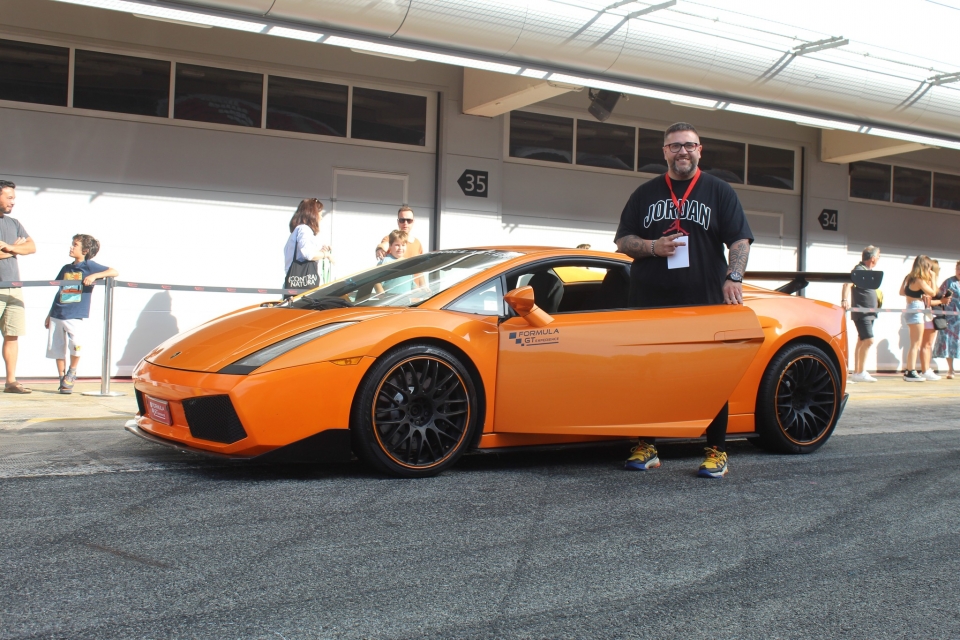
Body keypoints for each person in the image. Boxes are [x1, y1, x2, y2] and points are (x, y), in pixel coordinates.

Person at [614, 122, 753, 479]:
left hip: (703, 300)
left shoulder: (719, 191)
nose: (682, 152)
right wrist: (652, 247)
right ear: (664, 152)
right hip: (649, 301)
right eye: (675, 146)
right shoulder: (645, 193)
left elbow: (739, 239)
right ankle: (647, 446)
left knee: (711, 375)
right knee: (647, 375)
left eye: (689, 146)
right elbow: (623, 240)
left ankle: (716, 450)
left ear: (700, 150)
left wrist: (733, 277)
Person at [44, 235, 118, 394]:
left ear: (84, 250)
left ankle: (72, 371)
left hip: (75, 314)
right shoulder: (66, 268)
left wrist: (94, 276)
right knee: (57, 347)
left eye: (75, 245)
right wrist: (49, 314)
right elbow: (60, 291)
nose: (71, 247)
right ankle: (62, 378)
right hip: (58, 312)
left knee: (76, 345)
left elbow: (114, 271)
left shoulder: (89, 266)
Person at [0, 180, 36, 394]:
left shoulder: (14, 223)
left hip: (14, 287)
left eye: (14, 197)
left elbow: (31, 247)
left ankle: (10, 381)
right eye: (9, 197)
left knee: (12, 335)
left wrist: (9, 248)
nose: (13, 201)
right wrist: (17, 248)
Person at [900, 256, 949, 382]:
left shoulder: (908, 277)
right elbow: (932, 293)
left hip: (910, 307)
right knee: (916, 343)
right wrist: (932, 278)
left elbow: (901, 292)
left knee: (914, 343)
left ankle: (910, 371)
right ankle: (911, 372)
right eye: (928, 266)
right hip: (917, 308)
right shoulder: (919, 280)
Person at [842, 246, 881, 382]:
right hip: (862, 312)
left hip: (869, 312)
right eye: (878, 257)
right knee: (869, 340)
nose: (878, 260)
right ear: (873, 258)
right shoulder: (859, 270)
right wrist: (844, 299)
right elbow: (847, 283)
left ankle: (858, 372)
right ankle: (861, 372)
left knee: (862, 340)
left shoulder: (867, 271)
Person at [283, 198, 331, 292]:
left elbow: (303, 254)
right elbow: (309, 254)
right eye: (320, 214)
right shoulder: (304, 229)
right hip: (304, 290)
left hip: (293, 285)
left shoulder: (296, 232)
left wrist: (321, 251)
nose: (321, 217)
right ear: (312, 214)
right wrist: (326, 255)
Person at [919, 258, 947, 380]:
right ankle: (925, 370)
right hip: (929, 316)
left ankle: (927, 368)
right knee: (926, 344)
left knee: (928, 344)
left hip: (932, 316)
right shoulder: (928, 282)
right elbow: (927, 301)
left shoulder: (930, 282)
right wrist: (941, 301)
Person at [933, 261, 960, 379]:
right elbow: (938, 296)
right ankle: (951, 369)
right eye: (958, 268)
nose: (959, 271)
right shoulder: (949, 282)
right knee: (949, 343)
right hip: (951, 318)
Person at [375, 229, 414, 295]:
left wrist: (421, 289)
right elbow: (376, 282)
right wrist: (382, 295)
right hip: (390, 302)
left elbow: (411, 283)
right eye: (397, 245)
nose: (400, 248)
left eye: (403, 245)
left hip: (406, 302)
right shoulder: (385, 261)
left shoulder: (408, 263)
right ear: (390, 246)